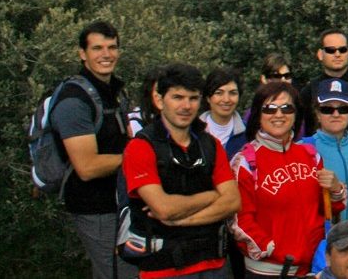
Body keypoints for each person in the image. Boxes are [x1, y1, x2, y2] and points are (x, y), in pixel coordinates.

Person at [119, 63, 239, 279]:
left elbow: (232, 202)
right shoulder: (140, 147)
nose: (186, 106)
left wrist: (182, 220)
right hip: (163, 270)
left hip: (214, 264)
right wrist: (211, 196)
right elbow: (164, 209)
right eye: (177, 97)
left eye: (193, 98)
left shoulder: (210, 145)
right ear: (159, 100)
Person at [232, 79, 347, 278]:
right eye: (269, 109)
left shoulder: (311, 155)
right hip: (269, 271)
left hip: (313, 268)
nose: (279, 114)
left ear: (296, 115)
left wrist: (336, 189)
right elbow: (239, 220)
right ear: (258, 115)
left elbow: (325, 211)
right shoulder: (245, 162)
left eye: (286, 108)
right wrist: (270, 248)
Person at [54, 22, 139, 279]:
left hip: (121, 202)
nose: (106, 54)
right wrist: (139, 158)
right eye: (97, 48)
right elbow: (87, 167)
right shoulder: (74, 100)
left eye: (112, 47)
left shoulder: (114, 92)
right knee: (115, 273)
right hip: (96, 209)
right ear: (82, 53)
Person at [302, 77, 348, 228]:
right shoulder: (304, 148)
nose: (336, 114)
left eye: (343, 109)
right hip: (325, 239)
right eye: (327, 109)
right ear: (317, 113)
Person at [199, 68, 245, 158]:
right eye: (219, 93)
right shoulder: (192, 132)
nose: (226, 99)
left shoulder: (248, 134)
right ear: (208, 98)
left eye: (233, 93)